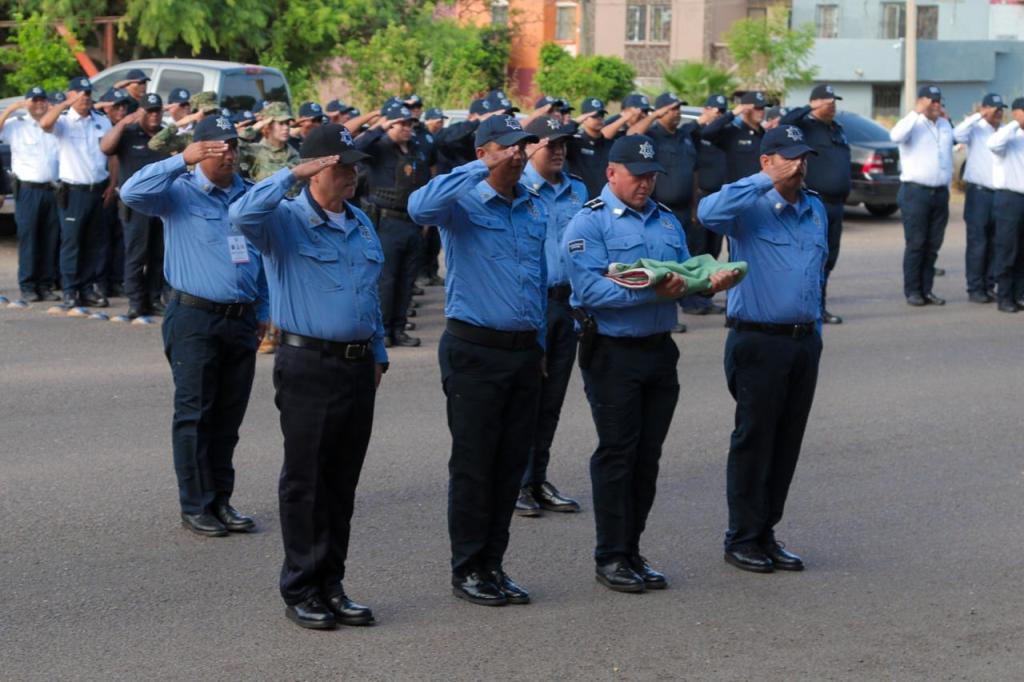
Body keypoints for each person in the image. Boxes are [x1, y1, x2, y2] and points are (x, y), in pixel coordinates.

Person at [562, 134, 739, 593]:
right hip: (613, 351)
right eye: (638, 175)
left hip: (659, 349)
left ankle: (633, 549)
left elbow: (683, 273)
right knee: (618, 453)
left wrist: (706, 282)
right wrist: (651, 291)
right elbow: (589, 292)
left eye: (652, 176)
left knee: (647, 456)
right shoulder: (589, 224)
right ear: (612, 173)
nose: (646, 184)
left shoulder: (666, 221)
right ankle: (611, 556)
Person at [229, 124, 384, 631]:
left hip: (358, 365)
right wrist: (290, 174)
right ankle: (301, 586)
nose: (352, 175)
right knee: (307, 481)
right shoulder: (285, 220)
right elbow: (240, 214)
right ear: (317, 170)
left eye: (353, 166)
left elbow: (369, 293)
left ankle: (331, 583)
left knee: (342, 481)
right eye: (341, 166)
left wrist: (378, 352)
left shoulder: (360, 221)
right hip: (309, 365)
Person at [408, 115, 546, 607]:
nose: (518, 153)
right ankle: (467, 567)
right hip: (475, 349)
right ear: (486, 149)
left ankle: (493, 563)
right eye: (507, 146)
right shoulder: (461, 201)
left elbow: (537, 279)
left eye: (523, 145)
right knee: (474, 465)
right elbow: (418, 207)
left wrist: (542, 347)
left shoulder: (532, 205)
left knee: (510, 466)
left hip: (524, 350)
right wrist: (476, 167)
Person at [119, 115, 267, 538]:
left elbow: (263, 260)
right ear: (199, 150)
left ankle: (221, 499)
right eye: (217, 146)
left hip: (241, 318)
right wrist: (179, 160)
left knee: (228, 417)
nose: (229, 154)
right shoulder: (176, 194)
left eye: (233, 146)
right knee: (195, 413)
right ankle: (196, 504)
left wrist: (264, 310)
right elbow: (132, 191)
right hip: (195, 317)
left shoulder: (250, 195)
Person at [698, 125, 826, 574]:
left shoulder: (815, 209)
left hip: (803, 340)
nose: (799, 165)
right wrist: (764, 181)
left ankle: (767, 531)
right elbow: (706, 212)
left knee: (786, 442)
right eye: (788, 157)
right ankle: (742, 536)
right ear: (766, 161)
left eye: (803, 157)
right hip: (758, 340)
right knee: (755, 440)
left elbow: (815, 275)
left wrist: (815, 333)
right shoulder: (747, 207)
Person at [512, 117, 586, 518]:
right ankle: (516, 481)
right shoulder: (517, 187)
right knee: (527, 398)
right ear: (528, 147)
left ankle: (537, 477)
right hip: (530, 303)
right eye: (549, 144)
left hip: (567, 303)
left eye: (564, 144)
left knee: (552, 400)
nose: (558, 150)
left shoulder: (579, 191)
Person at [355, 102, 433, 347]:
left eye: (410, 123)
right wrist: (380, 127)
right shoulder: (378, 147)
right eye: (401, 123)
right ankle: (383, 330)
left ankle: (399, 328)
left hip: (412, 222)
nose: (407, 128)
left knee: (407, 279)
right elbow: (355, 146)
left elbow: (425, 180)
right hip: (387, 221)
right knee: (386, 280)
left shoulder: (416, 149)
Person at [39, 76, 113, 312]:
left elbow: (112, 155)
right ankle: (70, 291)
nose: (85, 98)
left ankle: (88, 289)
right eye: (80, 94)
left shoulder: (101, 121)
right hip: (74, 192)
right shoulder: (64, 122)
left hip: (99, 189)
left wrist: (113, 184)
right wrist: (66, 103)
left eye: (88, 94)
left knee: (95, 243)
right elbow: (44, 124)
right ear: (71, 95)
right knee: (72, 244)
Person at [781, 84, 852, 324]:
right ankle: (803, 307)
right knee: (810, 256)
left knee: (828, 257)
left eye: (834, 101)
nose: (832, 105)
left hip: (837, 203)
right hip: (814, 202)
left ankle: (819, 306)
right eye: (827, 101)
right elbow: (784, 122)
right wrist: (807, 109)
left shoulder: (837, 129)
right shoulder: (805, 127)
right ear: (814, 103)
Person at [100, 92, 170, 322]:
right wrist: (122, 123)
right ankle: (135, 302)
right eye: (149, 110)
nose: (154, 115)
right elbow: (106, 148)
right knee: (136, 254)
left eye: (157, 110)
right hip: (135, 205)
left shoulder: (165, 135)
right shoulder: (128, 133)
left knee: (159, 255)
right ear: (141, 111)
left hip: (161, 204)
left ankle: (153, 298)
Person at [890, 85, 954, 307]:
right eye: (931, 101)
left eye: (938, 101)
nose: (936, 105)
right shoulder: (912, 123)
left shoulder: (945, 124)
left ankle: (927, 290)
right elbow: (895, 135)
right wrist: (916, 111)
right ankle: (913, 291)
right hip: (915, 192)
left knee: (933, 244)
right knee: (916, 243)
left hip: (939, 193)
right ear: (922, 101)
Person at [0, 87, 61, 305]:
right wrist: (13, 108)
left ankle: (45, 285)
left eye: (42, 100)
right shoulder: (17, 126)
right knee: (29, 239)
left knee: (49, 238)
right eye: (34, 100)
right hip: (28, 190)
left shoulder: (55, 124)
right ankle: (28, 285)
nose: (39, 104)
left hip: (52, 188)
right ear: (27, 102)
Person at [954, 93, 1005, 303]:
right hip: (979, 193)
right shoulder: (975, 130)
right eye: (994, 109)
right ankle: (975, 287)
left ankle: (989, 284)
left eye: (1000, 110)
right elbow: (957, 133)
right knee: (978, 242)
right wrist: (979, 116)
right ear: (984, 109)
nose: (997, 113)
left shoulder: (1003, 132)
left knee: (995, 242)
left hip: (999, 194)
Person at [985, 97, 1024, 313]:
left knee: (1022, 252)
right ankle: (1005, 296)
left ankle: (1019, 293)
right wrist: (1016, 123)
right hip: (1009, 199)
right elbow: (993, 144)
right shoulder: (1007, 136)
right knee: (1007, 249)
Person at [565, 97, 627, 200]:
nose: (599, 118)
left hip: (606, 203)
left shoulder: (611, 145)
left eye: (601, 115)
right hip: (580, 202)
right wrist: (576, 122)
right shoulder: (575, 143)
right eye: (594, 116)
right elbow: (559, 135)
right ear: (584, 118)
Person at [702, 91, 767, 183]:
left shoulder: (764, 134)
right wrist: (733, 113)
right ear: (745, 109)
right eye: (757, 108)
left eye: (763, 108)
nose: (761, 112)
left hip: (761, 190)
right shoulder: (733, 132)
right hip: (738, 191)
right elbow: (706, 133)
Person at [149, 91, 220, 155]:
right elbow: (154, 145)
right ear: (195, 115)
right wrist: (177, 124)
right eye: (207, 113)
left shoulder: (226, 134)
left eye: (215, 112)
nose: (212, 116)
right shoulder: (189, 138)